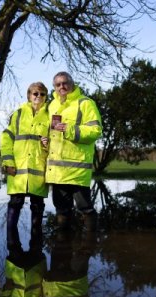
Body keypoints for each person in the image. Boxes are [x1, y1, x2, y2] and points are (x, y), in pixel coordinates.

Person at [46, 71, 102, 230]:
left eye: (65, 83)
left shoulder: (85, 103)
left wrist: (70, 130)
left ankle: (88, 247)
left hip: (77, 170)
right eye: (58, 84)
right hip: (57, 172)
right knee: (61, 210)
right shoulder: (52, 106)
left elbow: (96, 131)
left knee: (86, 209)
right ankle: (63, 247)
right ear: (54, 88)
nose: (61, 87)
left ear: (72, 83)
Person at [0, 82, 50, 249]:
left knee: (38, 206)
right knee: (15, 202)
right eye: (35, 93)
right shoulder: (19, 114)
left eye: (42, 94)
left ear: (46, 97)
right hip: (18, 170)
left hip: (39, 171)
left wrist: (47, 143)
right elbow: (7, 138)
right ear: (29, 95)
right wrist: (8, 162)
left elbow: (57, 143)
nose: (38, 96)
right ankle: (12, 247)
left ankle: (36, 248)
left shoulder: (51, 115)